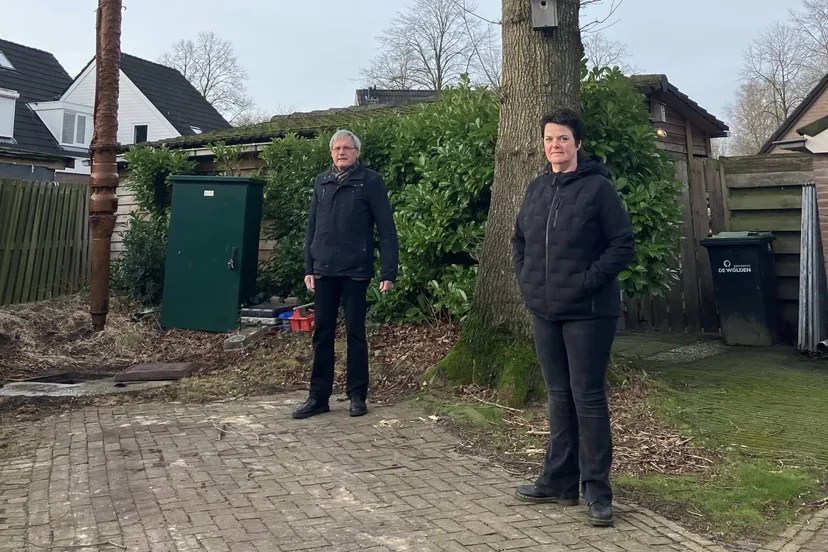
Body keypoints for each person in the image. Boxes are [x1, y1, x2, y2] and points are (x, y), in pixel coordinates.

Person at [511, 108, 635, 527]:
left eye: (562, 138)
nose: (555, 146)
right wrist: (527, 281)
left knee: (588, 398)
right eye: (548, 139)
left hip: (589, 312)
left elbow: (622, 245)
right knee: (557, 396)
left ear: (577, 144)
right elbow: (520, 239)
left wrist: (587, 282)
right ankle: (559, 480)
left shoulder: (599, 189)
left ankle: (597, 491)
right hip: (545, 309)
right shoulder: (536, 188)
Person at [292, 129, 399, 420]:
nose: (341, 152)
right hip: (324, 269)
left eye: (347, 148)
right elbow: (312, 228)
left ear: (357, 152)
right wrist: (309, 266)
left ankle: (357, 395)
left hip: (355, 270)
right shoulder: (322, 182)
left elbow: (386, 230)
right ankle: (318, 397)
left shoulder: (371, 182)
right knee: (322, 333)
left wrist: (389, 270)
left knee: (355, 333)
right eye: (337, 148)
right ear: (331, 153)